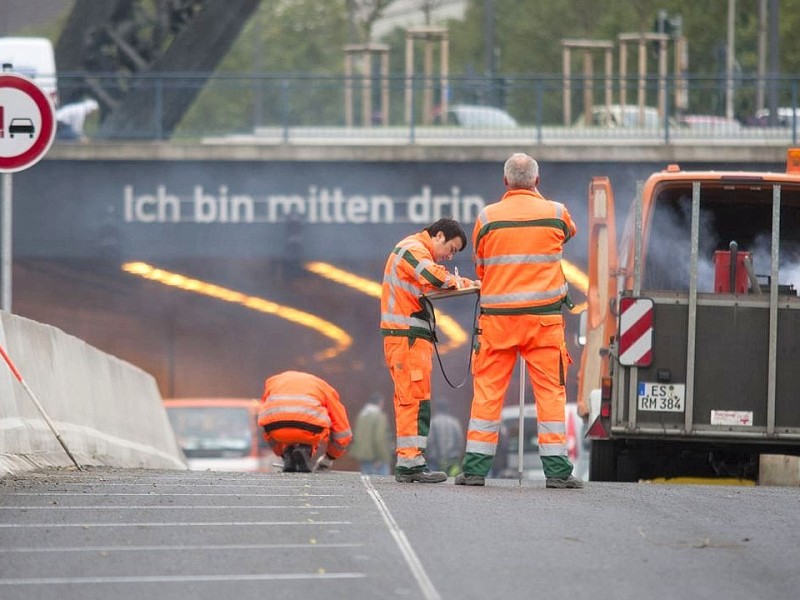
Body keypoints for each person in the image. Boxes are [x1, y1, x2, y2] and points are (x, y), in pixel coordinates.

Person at [456, 153, 584, 489]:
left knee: (487, 394)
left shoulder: (487, 217)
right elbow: (568, 234)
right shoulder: (556, 213)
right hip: (543, 322)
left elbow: (481, 267)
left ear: (505, 182)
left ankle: (474, 470)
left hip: (497, 322)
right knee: (551, 395)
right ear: (537, 181)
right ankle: (557, 473)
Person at [381, 218, 476, 483]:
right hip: (407, 339)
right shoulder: (413, 249)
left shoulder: (413, 251)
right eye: (452, 249)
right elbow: (435, 277)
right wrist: (460, 283)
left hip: (409, 339)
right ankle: (410, 463)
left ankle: (411, 461)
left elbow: (433, 283)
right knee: (413, 400)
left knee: (415, 399)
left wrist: (467, 284)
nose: (449, 257)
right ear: (439, 236)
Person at [257, 370, 352, 473]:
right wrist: (329, 458)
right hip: (310, 429)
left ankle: (287, 454)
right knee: (315, 422)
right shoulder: (323, 387)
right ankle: (305, 450)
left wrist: (281, 453)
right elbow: (342, 433)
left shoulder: (272, 382)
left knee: (270, 422)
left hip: (275, 429)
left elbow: (265, 411)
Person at [349, 392, 393, 475]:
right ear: (380, 402)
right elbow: (379, 438)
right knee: (383, 484)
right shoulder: (379, 416)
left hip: (364, 454)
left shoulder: (362, 415)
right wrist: (382, 457)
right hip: (376, 456)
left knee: (367, 481)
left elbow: (358, 435)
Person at [426, 398, 464, 476]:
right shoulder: (454, 422)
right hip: (452, 459)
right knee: (452, 482)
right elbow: (460, 440)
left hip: (435, 460)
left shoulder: (433, 422)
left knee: (434, 482)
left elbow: (429, 441)